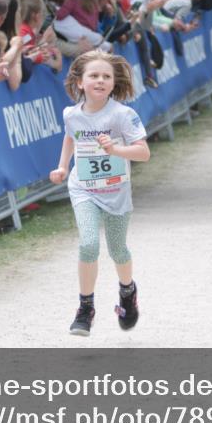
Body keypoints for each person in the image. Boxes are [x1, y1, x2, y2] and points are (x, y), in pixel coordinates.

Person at [48, 51, 150, 336]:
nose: (101, 80)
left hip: (116, 191)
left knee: (118, 250)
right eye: (94, 75)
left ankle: (128, 292)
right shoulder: (71, 114)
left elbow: (143, 153)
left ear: (114, 82)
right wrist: (61, 166)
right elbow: (71, 136)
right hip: (83, 189)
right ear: (80, 82)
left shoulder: (122, 114)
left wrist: (116, 150)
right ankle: (85, 308)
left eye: (107, 76)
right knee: (89, 244)